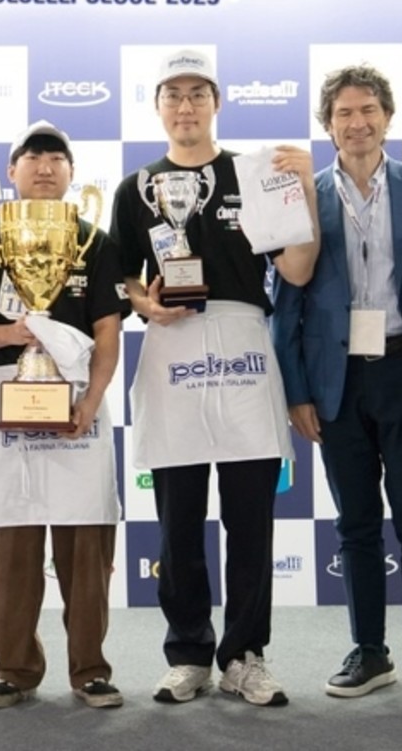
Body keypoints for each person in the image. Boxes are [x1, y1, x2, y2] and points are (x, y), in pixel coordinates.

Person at [109, 48, 319, 706]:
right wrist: (146, 304)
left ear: (216, 103)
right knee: (177, 523)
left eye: (197, 93)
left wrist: (306, 192)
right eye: (173, 95)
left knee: (250, 520)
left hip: (243, 354)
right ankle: (189, 652)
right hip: (173, 354)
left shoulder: (253, 175)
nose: (186, 106)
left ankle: (246, 654)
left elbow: (297, 270)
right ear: (157, 107)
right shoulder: (136, 187)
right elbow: (123, 277)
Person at [271, 65, 402, 707]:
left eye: (369, 110)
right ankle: (370, 651)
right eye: (345, 113)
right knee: (355, 524)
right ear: (328, 126)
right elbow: (286, 303)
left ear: (388, 117)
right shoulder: (304, 195)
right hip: (336, 379)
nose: (358, 123)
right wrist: (297, 391)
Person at [0, 121, 129, 709]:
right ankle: (14, 669)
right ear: (12, 171)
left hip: (77, 399)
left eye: (56, 158)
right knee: (10, 542)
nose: (45, 167)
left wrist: (92, 401)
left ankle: (90, 669)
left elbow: (107, 331)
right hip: (9, 396)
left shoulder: (94, 241)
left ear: (72, 173)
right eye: (33, 157)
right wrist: (13, 333)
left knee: (86, 543)